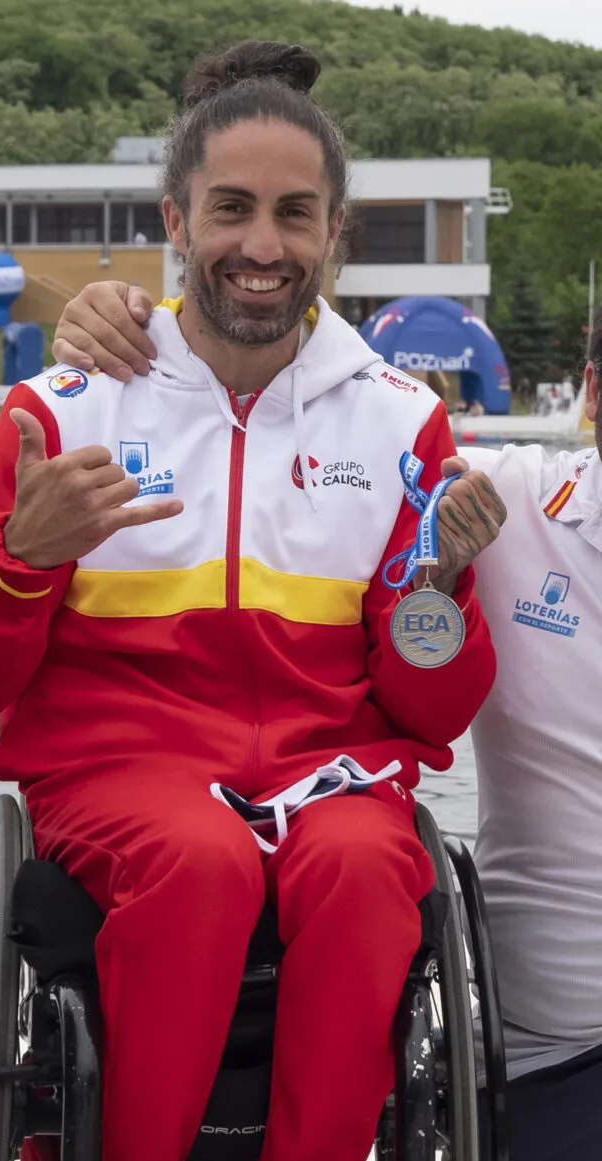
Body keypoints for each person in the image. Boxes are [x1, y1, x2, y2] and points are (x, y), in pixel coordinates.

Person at [0, 42, 502, 1161]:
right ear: (175, 221)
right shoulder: (61, 410)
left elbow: (429, 720)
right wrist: (21, 563)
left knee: (370, 870)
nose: (260, 245)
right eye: (229, 208)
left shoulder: (399, 422)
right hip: (117, 777)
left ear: (334, 231)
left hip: (331, 781)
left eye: (292, 213)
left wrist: (436, 594)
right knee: (198, 859)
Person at [54, 295, 602, 1161]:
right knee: (229, 861)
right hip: (564, 1051)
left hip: (525, 1021)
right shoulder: (501, 493)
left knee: (353, 865)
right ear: (594, 397)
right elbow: (321, 407)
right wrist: (122, 314)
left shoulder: (437, 453)